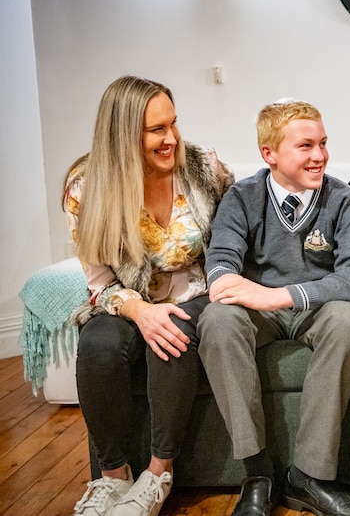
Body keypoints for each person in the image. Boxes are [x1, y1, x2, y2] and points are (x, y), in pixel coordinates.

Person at [64, 76, 234, 516]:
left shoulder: (203, 167)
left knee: (171, 334)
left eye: (173, 124)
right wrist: (138, 310)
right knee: (98, 344)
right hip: (126, 296)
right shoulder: (85, 187)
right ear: (122, 135)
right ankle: (112, 476)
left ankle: (158, 473)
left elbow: (239, 232)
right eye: (157, 130)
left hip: (197, 289)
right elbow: (99, 283)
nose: (171, 138)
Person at [197, 99, 350, 516]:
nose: (319, 156)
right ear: (269, 154)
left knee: (348, 318)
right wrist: (226, 281)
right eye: (306, 146)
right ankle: (257, 472)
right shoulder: (242, 197)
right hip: (258, 316)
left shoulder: (343, 199)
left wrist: (280, 295)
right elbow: (220, 259)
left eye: (323, 144)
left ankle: (310, 477)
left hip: (316, 307)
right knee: (217, 320)